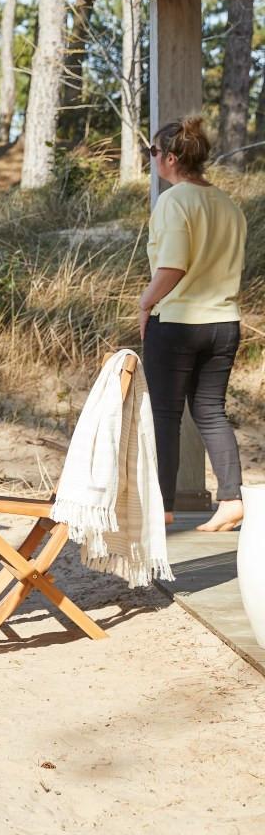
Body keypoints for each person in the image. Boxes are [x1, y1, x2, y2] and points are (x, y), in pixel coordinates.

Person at [139, 116, 247, 532]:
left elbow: (173, 266)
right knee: (211, 412)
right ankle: (231, 499)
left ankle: (162, 508)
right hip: (224, 322)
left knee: (165, 416)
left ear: (169, 158)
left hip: (179, 323)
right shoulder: (228, 203)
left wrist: (146, 304)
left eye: (152, 153)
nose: (151, 160)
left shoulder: (174, 201)